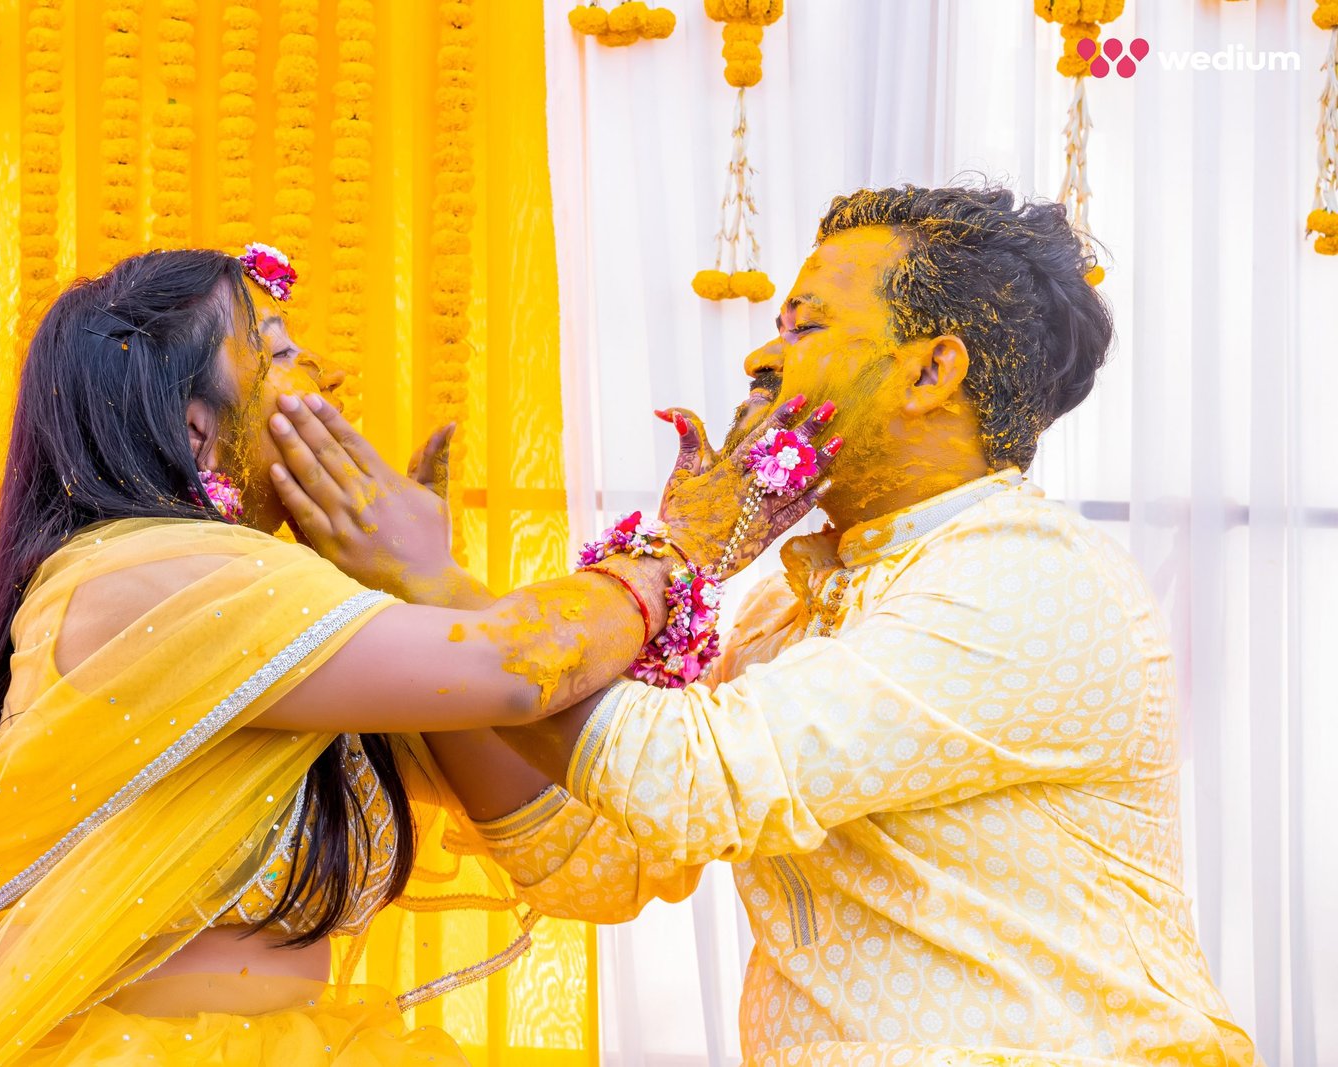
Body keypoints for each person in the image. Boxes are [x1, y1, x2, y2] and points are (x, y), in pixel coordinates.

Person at [271, 185, 1261, 1066]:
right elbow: (597, 854)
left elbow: (692, 780)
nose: (760, 355)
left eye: (804, 324)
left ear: (931, 372)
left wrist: (433, 583)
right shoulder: (791, 602)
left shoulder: (1025, 578)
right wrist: (413, 607)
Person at [0, 244, 839, 1065]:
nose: (326, 375)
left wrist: (418, 580)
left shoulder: (288, 616)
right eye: (280, 351)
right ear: (196, 426)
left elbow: (549, 824)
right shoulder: (148, 574)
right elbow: (514, 667)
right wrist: (680, 549)